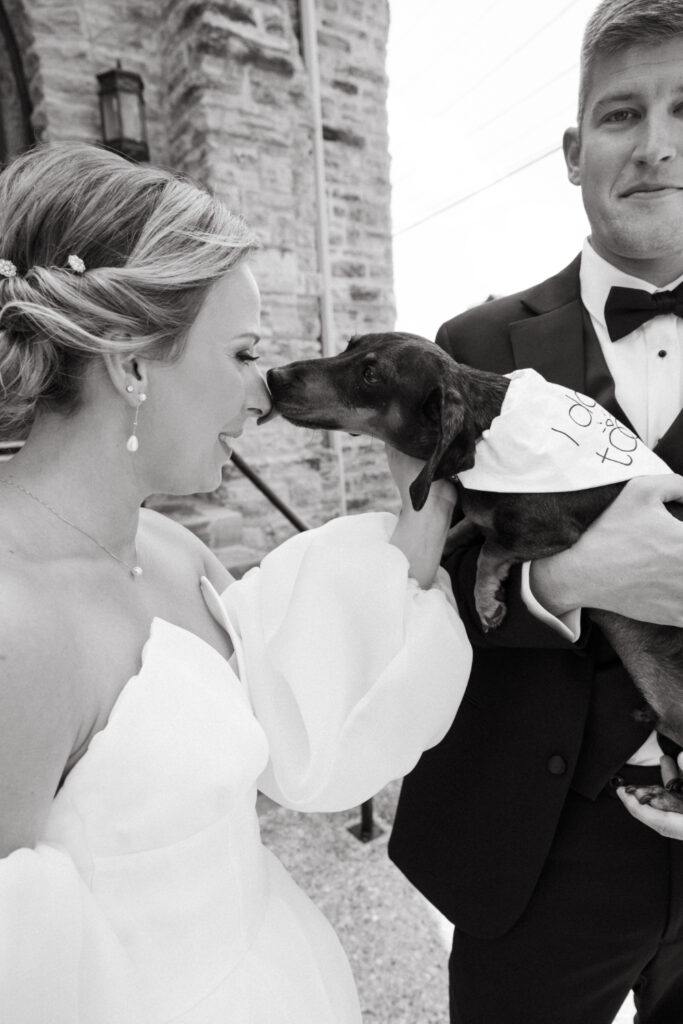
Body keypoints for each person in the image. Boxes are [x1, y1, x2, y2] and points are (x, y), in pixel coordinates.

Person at [0, 141, 473, 1023]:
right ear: (131, 361)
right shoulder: (13, 626)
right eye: (244, 351)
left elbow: (306, 714)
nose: (264, 395)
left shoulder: (171, 549)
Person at [389, 1, 683, 1021]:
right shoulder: (469, 344)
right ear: (571, 149)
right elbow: (415, 596)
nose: (654, 145)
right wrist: (560, 580)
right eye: (620, 113)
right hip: (534, 854)